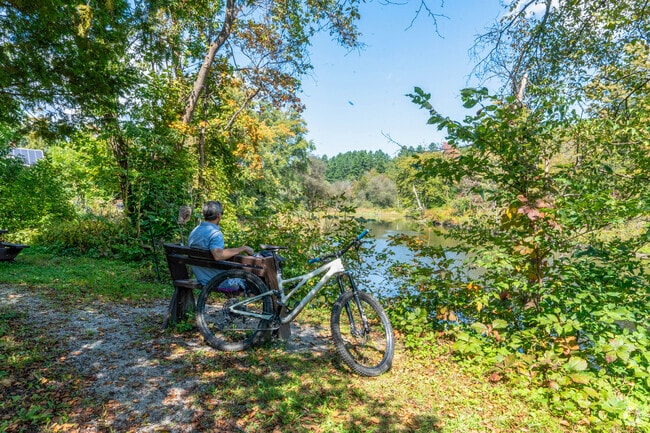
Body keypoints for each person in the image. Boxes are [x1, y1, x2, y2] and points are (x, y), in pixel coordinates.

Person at [187, 201, 254, 286]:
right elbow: (218, 255)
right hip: (217, 280)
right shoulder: (215, 233)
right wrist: (243, 248)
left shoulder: (195, 231)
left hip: (201, 277)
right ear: (219, 215)